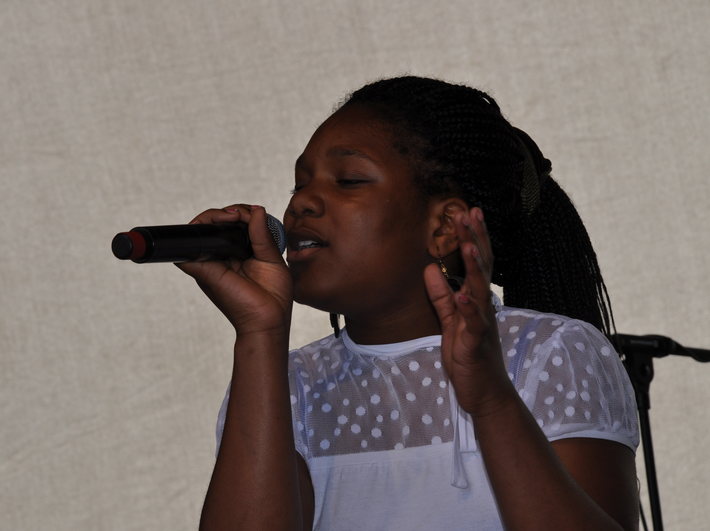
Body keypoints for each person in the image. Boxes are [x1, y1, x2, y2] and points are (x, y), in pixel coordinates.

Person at [177, 76, 640, 531]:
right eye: (299, 184)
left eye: (348, 180)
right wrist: (259, 332)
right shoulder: (291, 384)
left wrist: (491, 400)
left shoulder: (546, 353)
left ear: (444, 227)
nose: (302, 203)